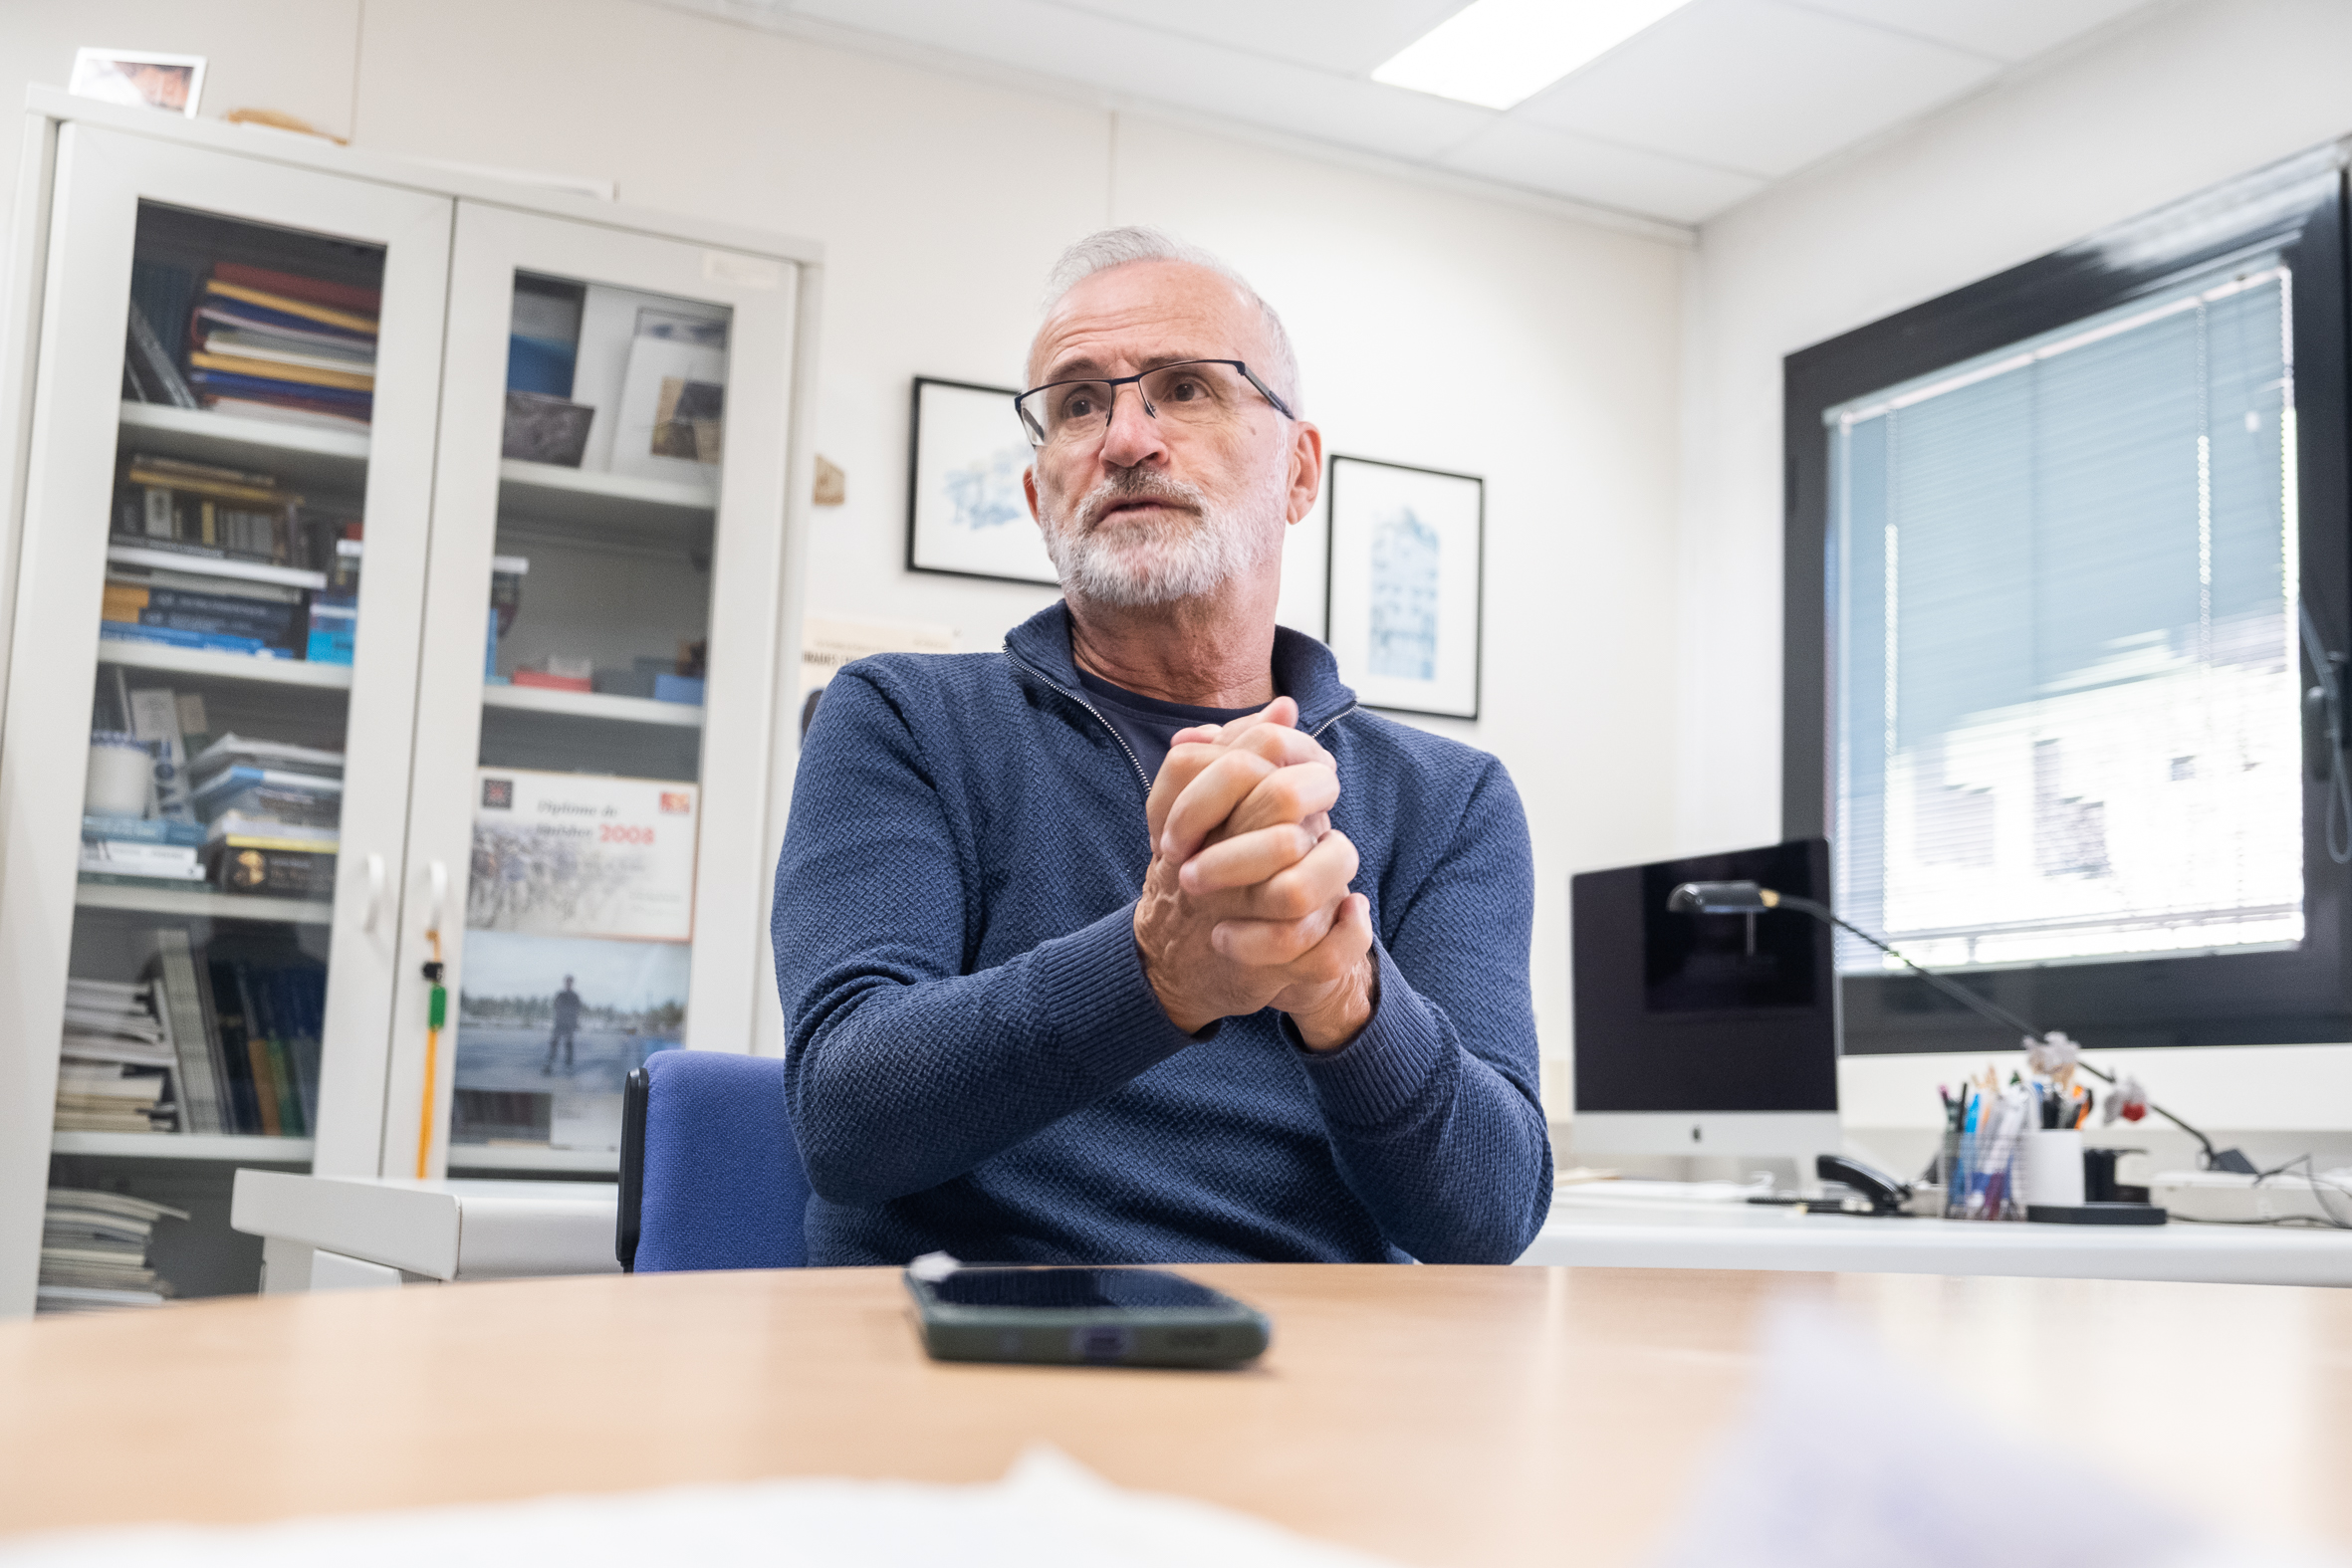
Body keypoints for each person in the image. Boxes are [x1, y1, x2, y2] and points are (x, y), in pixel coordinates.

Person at [772, 227, 1550, 1265]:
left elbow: (1488, 1217)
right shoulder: (901, 718)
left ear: (1299, 470)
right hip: (969, 1360)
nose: (1126, 438)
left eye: (1186, 388)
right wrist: (1160, 971)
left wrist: (1342, 996)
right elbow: (845, 1115)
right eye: (1078, 404)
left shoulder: (1449, 801)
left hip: (1315, 1384)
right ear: (1038, 494)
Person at [545, 975, 582, 1075]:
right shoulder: (560, 994)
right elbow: (556, 1007)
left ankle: (568, 1067)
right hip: (560, 1023)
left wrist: (574, 1024)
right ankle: (549, 1064)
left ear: (572, 983)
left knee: (568, 1045)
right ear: (565, 982)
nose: (568, 983)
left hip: (569, 1025)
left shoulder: (575, 996)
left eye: (570, 982)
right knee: (554, 1044)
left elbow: (577, 1011)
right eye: (567, 981)